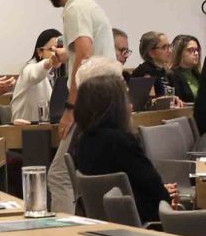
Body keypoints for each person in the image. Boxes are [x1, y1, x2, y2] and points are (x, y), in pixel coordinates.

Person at [68, 65, 170, 223]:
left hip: (104, 221)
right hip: (141, 219)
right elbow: (157, 191)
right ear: (116, 107)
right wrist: (167, 194)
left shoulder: (83, 141)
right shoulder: (122, 142)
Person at [41, 0, 113, 70]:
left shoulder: (75, 9)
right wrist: (69, 54)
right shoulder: (87, 4)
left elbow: (84, 56)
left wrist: (73, 88)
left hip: (93, 86)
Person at [10, 29, 64, 123]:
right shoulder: (28, 69)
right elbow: (34, 74)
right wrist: (49, 62)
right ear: (39, 52)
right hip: (23, 131)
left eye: (60, 49)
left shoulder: (57, 74)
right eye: (52, 49)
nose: (57, 53)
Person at [169, 34, 204, 105]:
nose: (196, 53)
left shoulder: (199, 75)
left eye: (197, 50)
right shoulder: (170, 75)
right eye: (191, 50)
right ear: (179, 53)